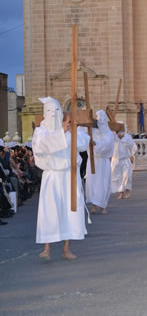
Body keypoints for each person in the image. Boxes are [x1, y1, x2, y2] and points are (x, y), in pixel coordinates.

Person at [32, 97, 90, 260]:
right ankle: (47, 248)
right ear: (44, 113)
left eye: (57, 110)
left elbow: (84, 144)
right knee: (50, 211)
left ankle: (66, 248)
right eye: (49, 111)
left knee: (69, 211)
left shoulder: (69, 128)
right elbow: (43, 146)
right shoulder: (41, 131)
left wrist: (72, 130)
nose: (53, 114)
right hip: (52, 176)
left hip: (68, 175)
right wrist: (62, 132)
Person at [86, 110, 115, 215]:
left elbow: (107, 144)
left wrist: (95, 143)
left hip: (103, 162)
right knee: (92, 183)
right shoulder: (92, 131)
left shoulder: (108, 133)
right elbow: (83, 135)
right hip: (93, 161)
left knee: (103, 184)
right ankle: (94, 205)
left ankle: (103, 206)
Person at [111, 124, 137, 200]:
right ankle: (121, 193)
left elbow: (133, 147)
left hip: (125, 159)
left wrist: (123, 140)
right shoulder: (113, 137)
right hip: (116, 160)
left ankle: (127, 191)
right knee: (118, 177)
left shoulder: (127, 137)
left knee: (127, 176)